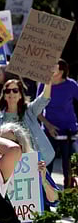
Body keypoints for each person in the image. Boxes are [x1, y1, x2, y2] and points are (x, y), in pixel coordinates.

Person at [0, 79, 55, 166]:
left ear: (20, 95)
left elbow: (44, 98)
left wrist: (48, 81)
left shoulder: (29, 111)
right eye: (8, 91)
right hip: (11, 164)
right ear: (4, 96)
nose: (11, 93)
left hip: (38, 162)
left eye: (15, 90)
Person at [37, 59, 78, 188]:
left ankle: (69, 197)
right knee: (46, 165)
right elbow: (36, 109)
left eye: (53, 67)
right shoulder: (44, 84)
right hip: (49, 131)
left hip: (69, 131)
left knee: (69, 168)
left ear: (60, 71)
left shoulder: (71, 85)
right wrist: (48, 126)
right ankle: (47, 195)